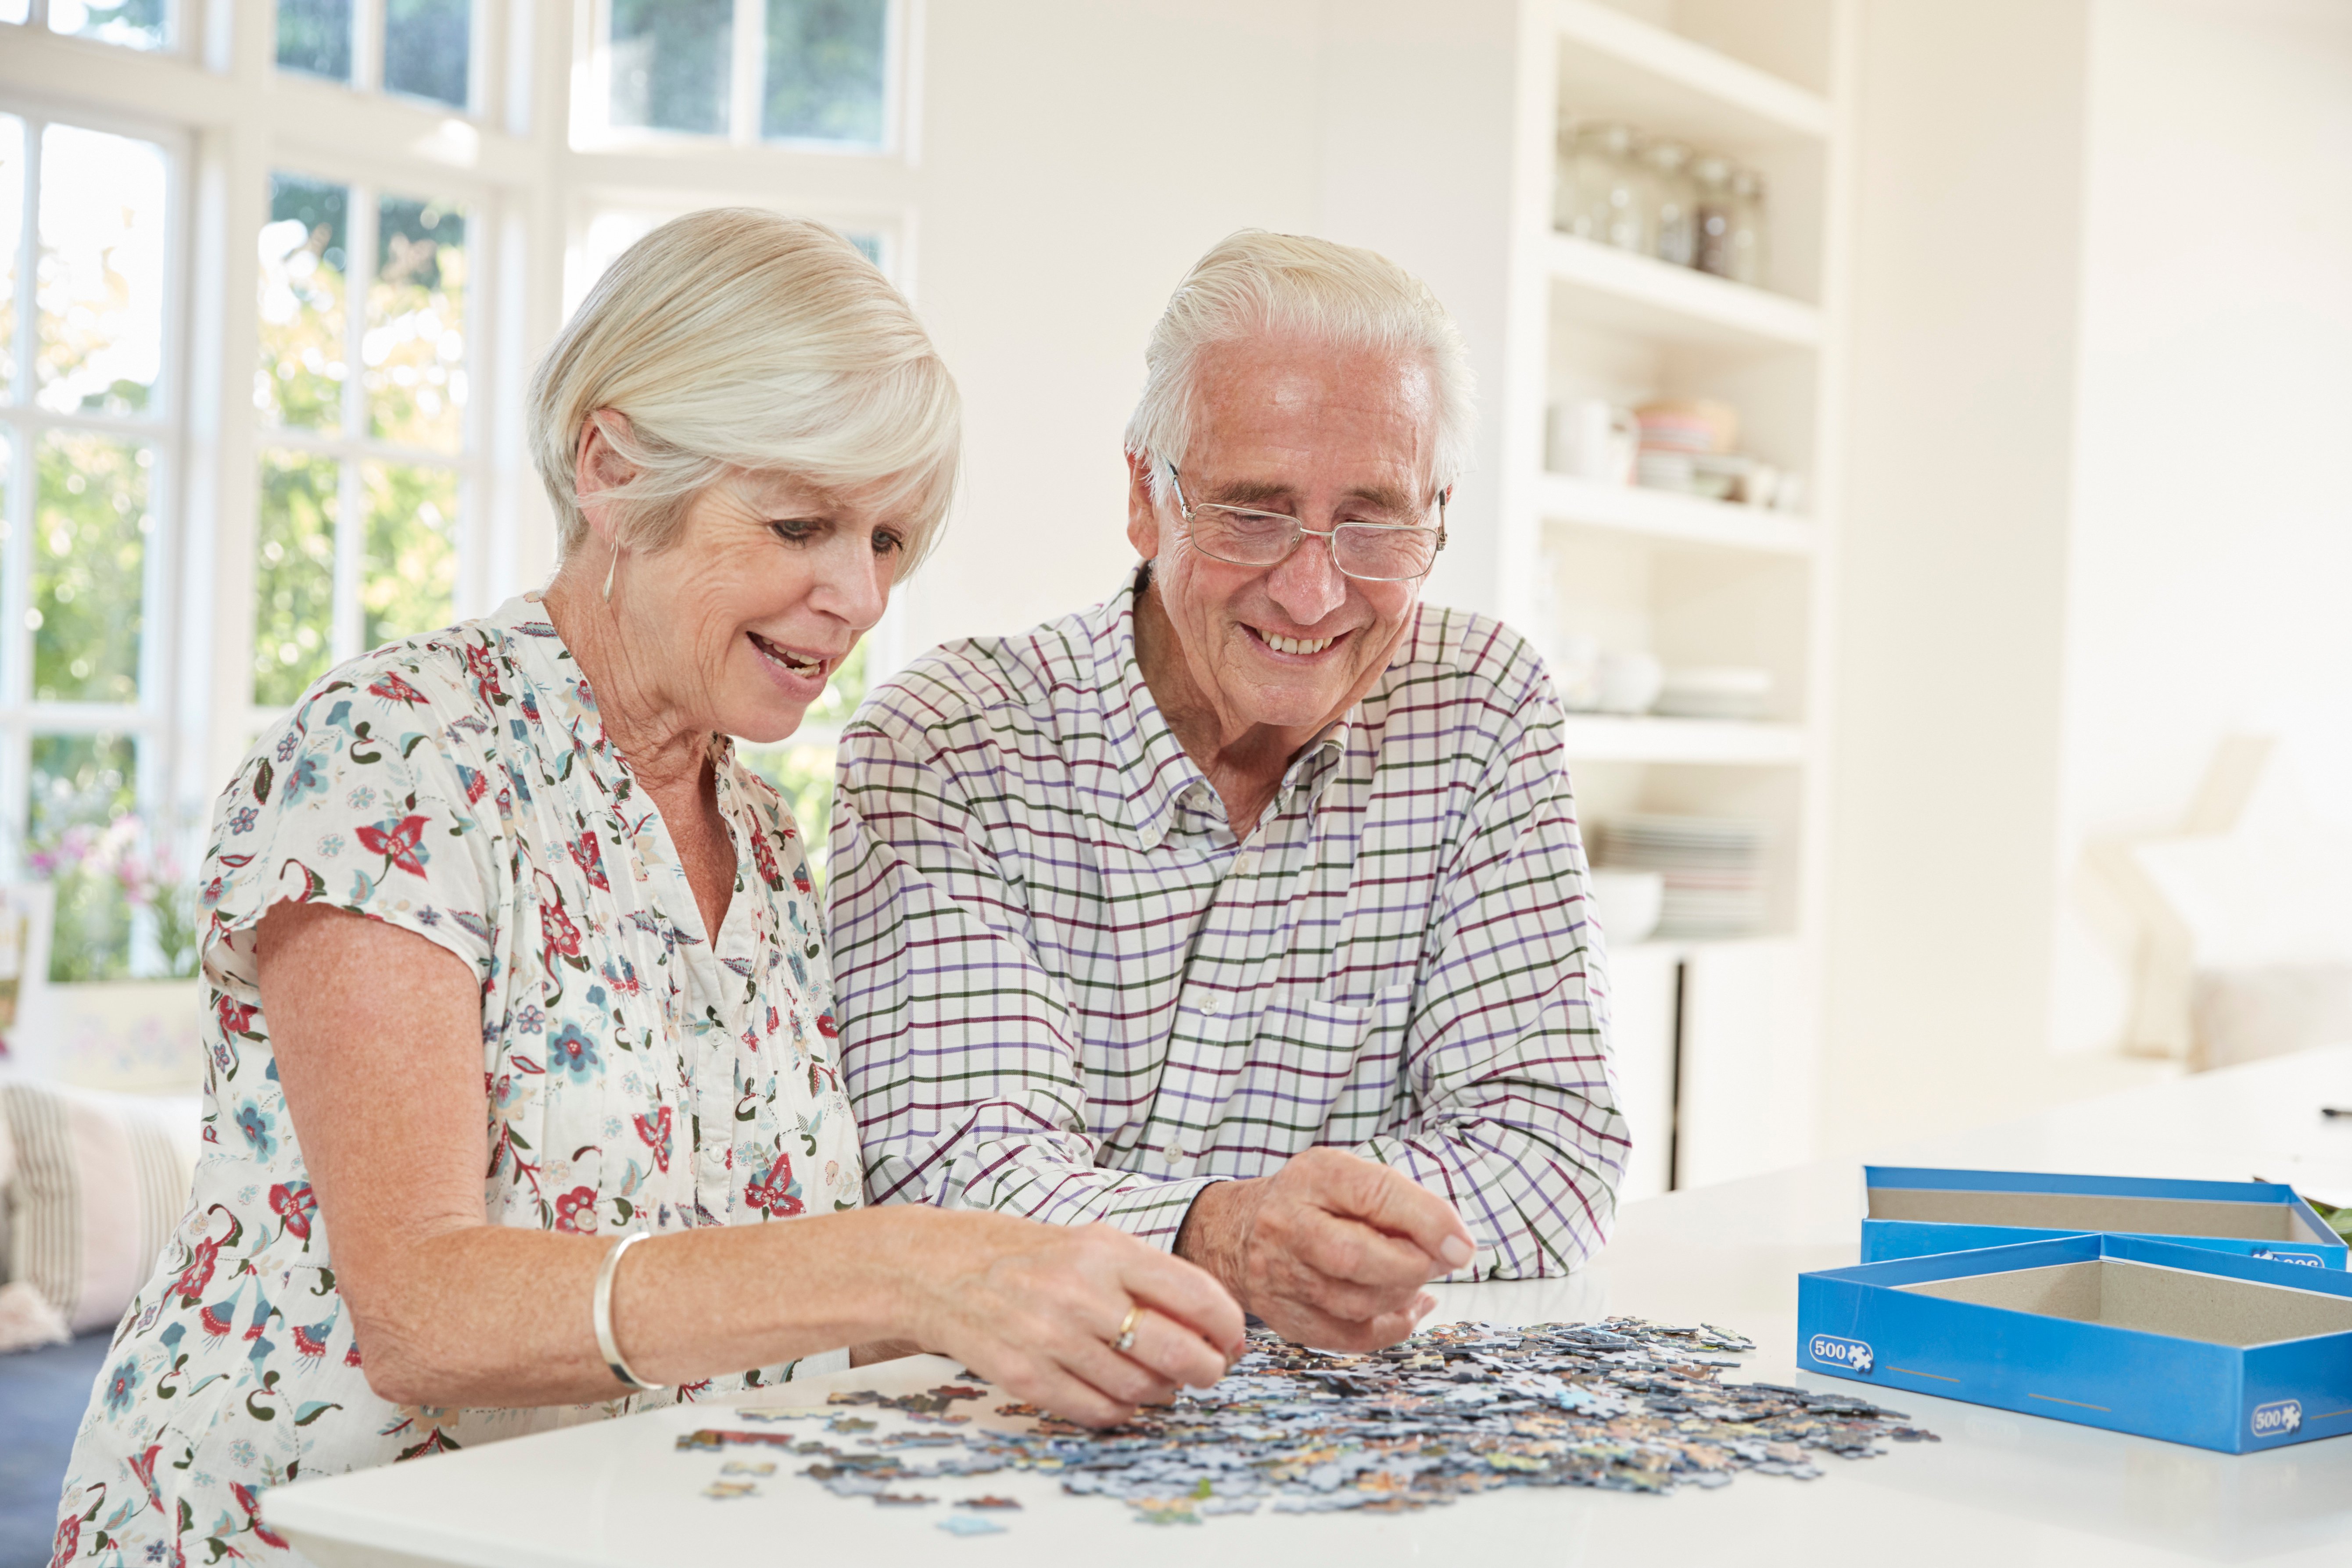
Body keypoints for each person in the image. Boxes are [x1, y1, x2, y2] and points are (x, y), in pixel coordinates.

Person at [52, 210, 1241, 1568]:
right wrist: (908, 1258)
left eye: (892, 539)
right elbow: (425, 1305)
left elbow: (744, 1294)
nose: (858, 595)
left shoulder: (764, 836)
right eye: (801, 521)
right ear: (611, 468)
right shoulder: (396, 749)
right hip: (300, 1537)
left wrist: (1110, 1290)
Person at [830, 230, 1628, 1355]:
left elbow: (1551, 1151)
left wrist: (1261, 1236)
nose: (1310, 591)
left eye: (1373, 520)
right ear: (1144, 498)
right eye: (1251, 511)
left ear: (1438, 516)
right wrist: (1227, 1235)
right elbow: (955, 1180)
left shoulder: (1482, 702)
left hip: (1363, 1463)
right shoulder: (953, 741)